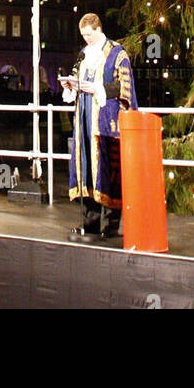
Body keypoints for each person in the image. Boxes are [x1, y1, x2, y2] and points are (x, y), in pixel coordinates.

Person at [61, 13, 137, 239]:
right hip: (84, 118)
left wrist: (99, 89)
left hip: (107, 120)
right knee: (86, 169)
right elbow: (76, 77)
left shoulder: (116, 53)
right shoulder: (83, 54)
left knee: (108, 171)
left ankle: (111, 226)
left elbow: (125, 86)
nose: (86, 39)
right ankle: (90, 222)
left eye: (89, 34)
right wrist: (70, 86)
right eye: (83, 35)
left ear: (98, 30)